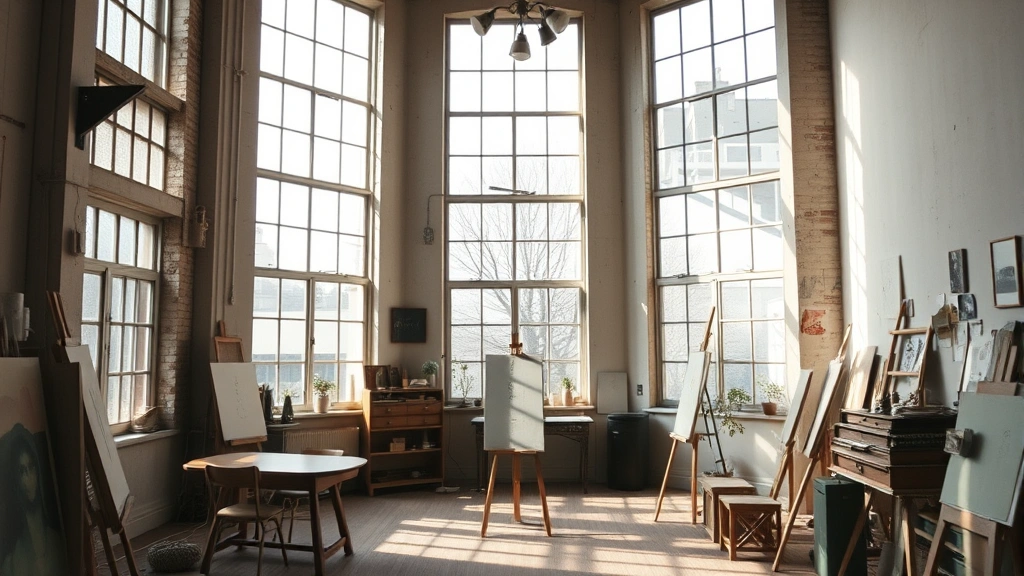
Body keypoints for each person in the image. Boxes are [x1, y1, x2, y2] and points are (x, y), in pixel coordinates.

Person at [0, 424, 66, 576]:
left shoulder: (55, 540)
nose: (28, 477)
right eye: (22, 471)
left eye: (31, 467)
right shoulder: (11, 560)